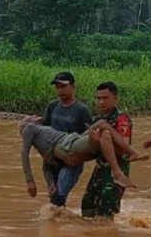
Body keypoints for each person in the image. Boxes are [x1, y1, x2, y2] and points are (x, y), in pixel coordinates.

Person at [19, 115, 148, 199]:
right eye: (30, 118)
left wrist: (51, 184)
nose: (33, 118)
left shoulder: (42, 144)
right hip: (65, 144)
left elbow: (46, 166)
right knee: (102, 123)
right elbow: (24, 153)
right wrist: (29, 180)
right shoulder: (29, 128)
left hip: (70, 143)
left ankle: (124, 162)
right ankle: (126, 161)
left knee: (105, 135)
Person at [81, 82, 132, 219]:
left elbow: (122, 150)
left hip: (116, 171)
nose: (101, 102)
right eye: (98, 98)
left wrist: (100, 142)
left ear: (116, 99)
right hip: (100, 169)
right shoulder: (98, 119)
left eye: (105, 98)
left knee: (106, 213)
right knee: (87, 207)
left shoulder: (121, 119)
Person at [42, 71, 93, 207]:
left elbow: (91, 137)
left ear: (73, 87)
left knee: (59, 197)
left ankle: (56, 225)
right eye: (57, 87)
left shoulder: (82, 110)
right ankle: (59, 225)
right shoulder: (52, 106)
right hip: (51, 158)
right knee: (54, 196)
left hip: (71, 161)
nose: (60, 90)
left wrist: (81, 158)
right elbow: (44, 130)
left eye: (63, 86)